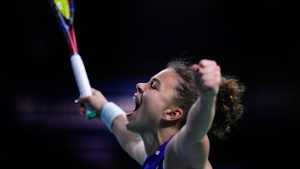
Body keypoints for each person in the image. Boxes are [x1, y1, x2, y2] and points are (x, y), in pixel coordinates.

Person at [76, 58, 245, 169]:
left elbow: (195, 131)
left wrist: (208, 98)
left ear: (172, 114)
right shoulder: (153, 157)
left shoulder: (179, 154)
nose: (140, 85)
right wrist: (102, 107)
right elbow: (127, 135)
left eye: (153, 86)